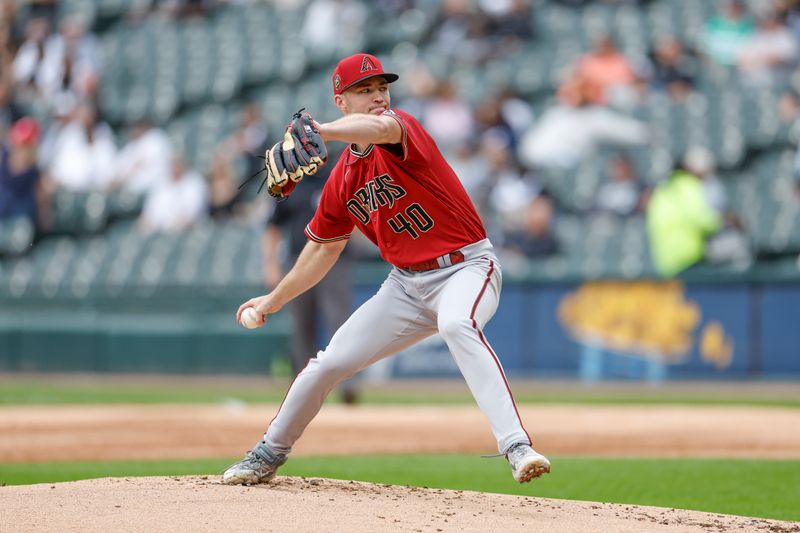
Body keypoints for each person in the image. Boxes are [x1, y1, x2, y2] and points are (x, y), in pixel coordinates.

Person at [224, 53, 549, 486]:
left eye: (382, 87)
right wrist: (272, 300)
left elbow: (378, 128)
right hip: (405, 286)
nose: (378, 96)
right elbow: (320, 252)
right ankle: (266, 454)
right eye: (365, 90)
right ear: (342, 99)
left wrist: (321, 129)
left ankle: (516, 446)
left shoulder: (400, 128)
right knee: (326, 364)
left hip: (466, 267)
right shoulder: (341, 182)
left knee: (457, 323)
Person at [263, 148, 359, 404]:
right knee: (301, 325)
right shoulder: (291, 183)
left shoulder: (336, 177)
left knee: (339, 320)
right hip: (298, 262)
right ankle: (301, 388)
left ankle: (347, 384)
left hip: (334, 260)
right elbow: (273, 226)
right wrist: (271, 264)